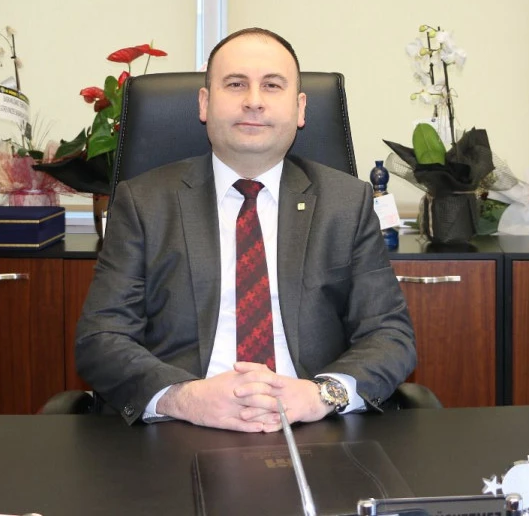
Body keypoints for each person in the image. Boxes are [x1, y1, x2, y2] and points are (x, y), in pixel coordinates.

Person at [76, 27, 416, 431]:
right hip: (180, 426)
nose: (254, 101)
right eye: (236, 84)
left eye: (272, 85)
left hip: (312, 424)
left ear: (300, 109)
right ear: (205, 103)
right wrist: (184, 398)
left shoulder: (346, 203)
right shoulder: (144, 202)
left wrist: (320, 395)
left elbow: (389, 335)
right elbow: (101, 338)